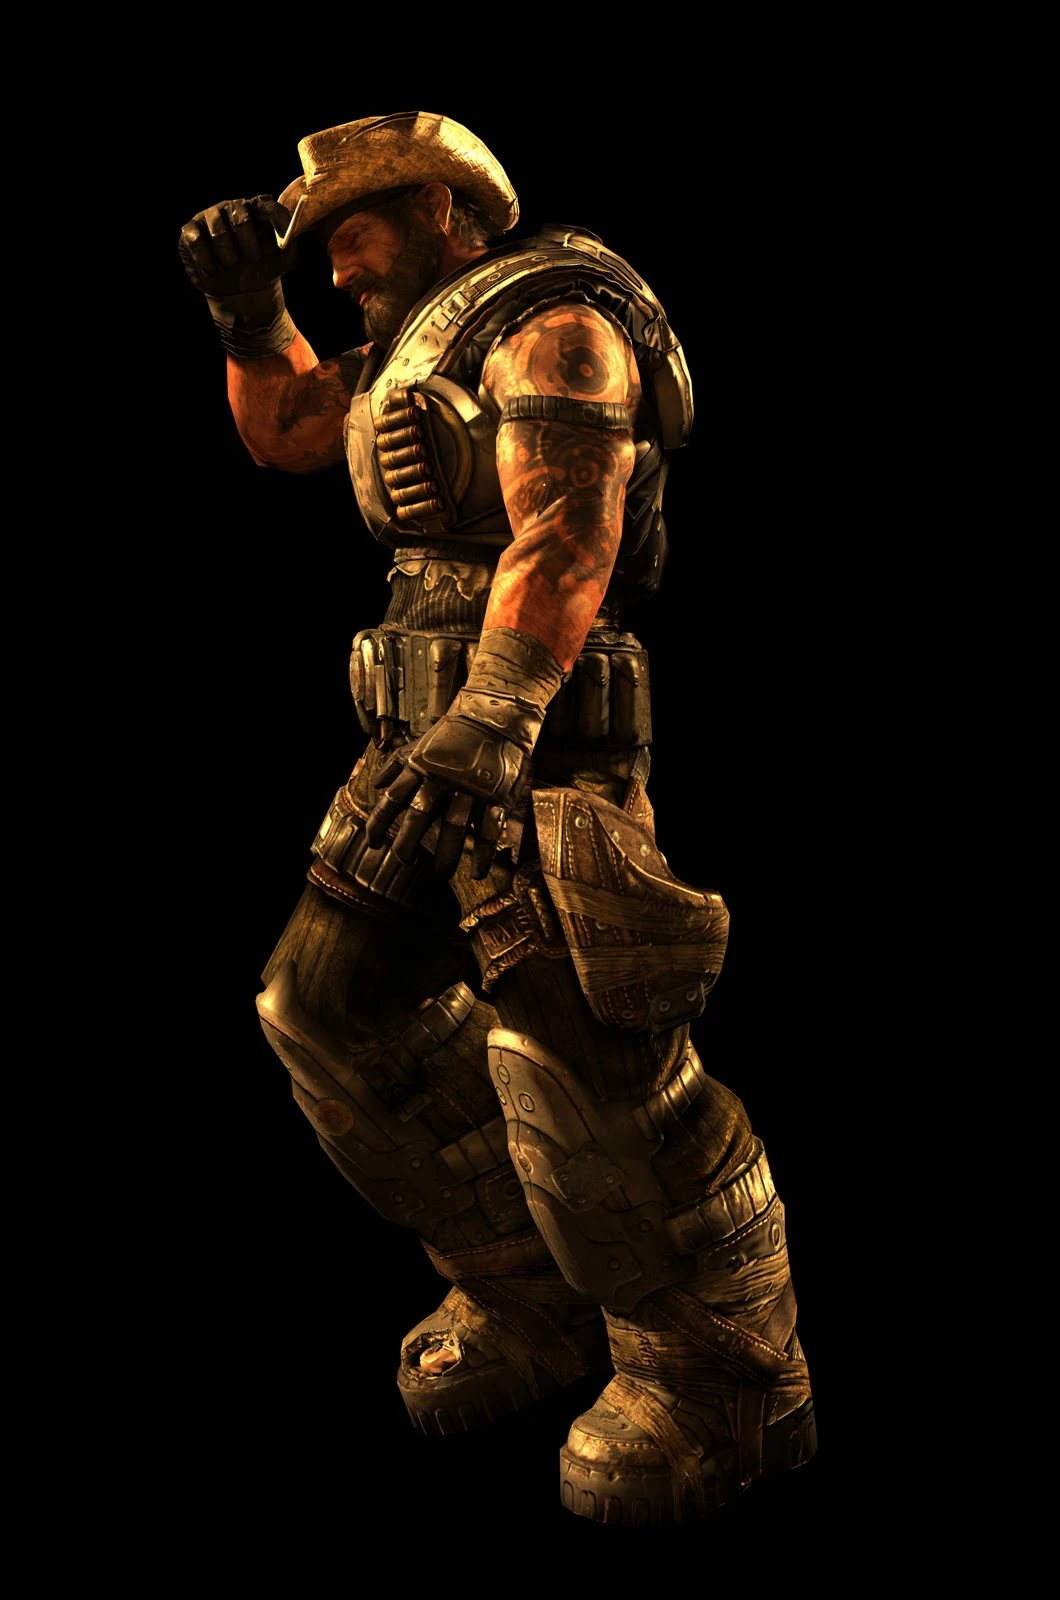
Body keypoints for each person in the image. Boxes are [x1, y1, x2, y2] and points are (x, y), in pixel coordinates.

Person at [179, 110, 817, 1527]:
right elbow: (290, 432)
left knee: (590, 1065)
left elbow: (570, 533)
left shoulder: (555, 322)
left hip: (542, 742)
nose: (339, 270)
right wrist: (248, 317)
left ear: (441, 210)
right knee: (326, 1009)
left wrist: (498, 713)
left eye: (351, 235)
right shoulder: (416, 344)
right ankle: (527, 1294)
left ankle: (721, 1372)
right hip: (419, 742)